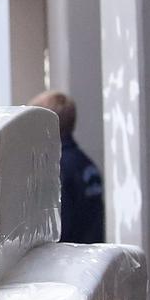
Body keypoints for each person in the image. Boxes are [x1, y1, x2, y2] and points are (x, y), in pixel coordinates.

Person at [29, 90, 106, 244]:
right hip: (89, 255)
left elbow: (57, 226)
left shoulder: (56, 168)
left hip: (67, 260)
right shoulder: (85, 164)